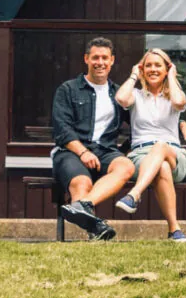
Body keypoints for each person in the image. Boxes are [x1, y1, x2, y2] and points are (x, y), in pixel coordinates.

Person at [51, 38, 134, 240]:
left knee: (126, 166)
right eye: (95, 57)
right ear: (86, 59)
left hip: (105, 151)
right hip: (70, 152)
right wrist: (83, 152)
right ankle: (94, 230)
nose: (100, 62)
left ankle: (81, 208)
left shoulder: (118, 94)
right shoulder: (68, 90)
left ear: (112, 60)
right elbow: (62, 129)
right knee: (81, 184)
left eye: (105, 58)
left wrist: (179, 123)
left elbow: (144, 119)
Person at [113, 48, 186, 242]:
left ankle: (134, 194)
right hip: (141, 157)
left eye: (158, 65)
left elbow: (178, 101)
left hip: (173, 154)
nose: (153, 69)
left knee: (161, 148)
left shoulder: (174, 95)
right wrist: (134, 73)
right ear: (142, 69)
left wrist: (173, 76)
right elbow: (121, 98)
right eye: (148, 65)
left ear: (166, 69)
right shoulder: (136, 95)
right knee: (162, 167)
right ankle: (174, 229)